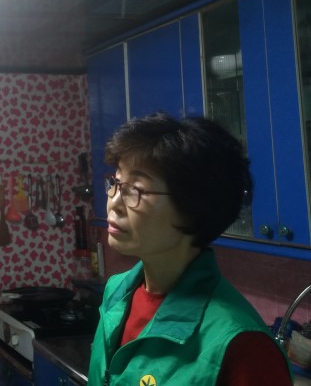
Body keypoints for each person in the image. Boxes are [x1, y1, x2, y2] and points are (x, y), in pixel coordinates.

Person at [88, 113, 292, 386]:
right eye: (115, 183)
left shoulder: (243, 346)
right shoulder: (117, 291)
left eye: (135, 189)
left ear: (194, 208)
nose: (113, 202)